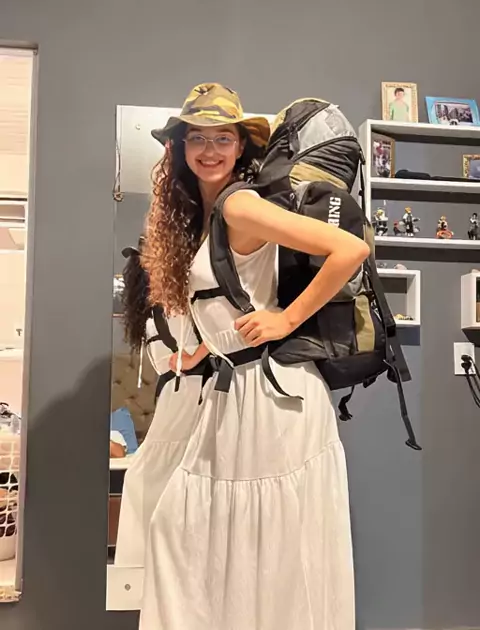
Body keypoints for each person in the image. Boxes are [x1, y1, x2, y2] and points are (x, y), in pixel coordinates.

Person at [139, 83, 370, 630]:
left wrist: (286, 320)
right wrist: (204, 348)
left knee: (263, 547)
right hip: (241, 391)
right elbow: (233, 294)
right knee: (234, 543)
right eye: (198, 138)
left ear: (241, 145)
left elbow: (350, 249)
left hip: (271, 396)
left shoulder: (239, 203)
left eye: (223, 138)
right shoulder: (208, 213)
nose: (210, 150)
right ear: (181, 147)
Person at [113, 239, 204, 567]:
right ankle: (150, 566)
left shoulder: (185, 303)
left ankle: (158, 565)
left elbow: (220, 334)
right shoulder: (158, 312)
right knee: (150, 479)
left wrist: (196, 356)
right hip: (179, 397)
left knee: (157, 478)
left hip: (193, 395)